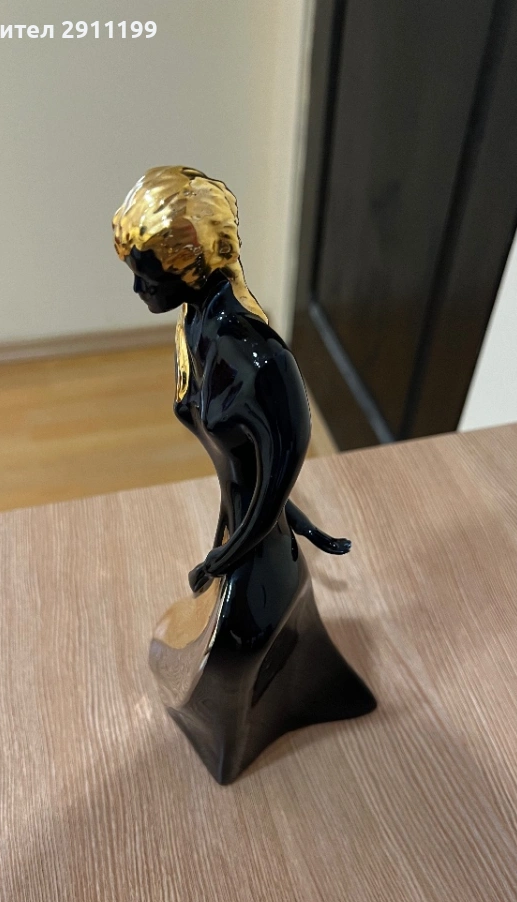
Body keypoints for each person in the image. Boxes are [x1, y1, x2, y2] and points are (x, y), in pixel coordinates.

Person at [113, 166, 374, 784]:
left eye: (145, 272)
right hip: (240, 537)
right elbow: (258, 476)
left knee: (226, 661)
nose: (137, 288)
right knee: (209, 658)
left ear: (189, 262)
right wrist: (233, 548)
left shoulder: (262, 363)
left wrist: (223, 559)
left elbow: (277, 472)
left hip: (255, 555)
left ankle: (237, 740)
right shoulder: (198, 327)